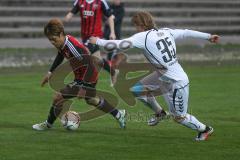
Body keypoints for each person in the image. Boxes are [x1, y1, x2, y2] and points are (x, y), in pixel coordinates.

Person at [89, 11, 220, 141]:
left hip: (177, 82)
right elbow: (186, 32)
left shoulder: (142, 37)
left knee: (179, 118)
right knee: (137, 90)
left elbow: (120, 44)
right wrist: (208, 36)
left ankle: (205, 129)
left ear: (140, 25)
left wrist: (98, 41)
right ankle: (160, 113)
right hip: (163, 75)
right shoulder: (166, 31)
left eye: (136, 25)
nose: (136, 28)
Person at [32, 18, 126, 131]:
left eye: (54, 39)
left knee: (58, 97)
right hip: (83, 76)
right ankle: (119, 114)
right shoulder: (63, 44)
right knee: (91, 100)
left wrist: (83, 87)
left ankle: (48, 124)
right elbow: (60, 55)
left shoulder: (72, 47)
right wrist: (50, 72)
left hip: (88, 77)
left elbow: (90, 64)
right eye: (50, 40)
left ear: (61, 34)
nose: (52, 42)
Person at [64, 0, 118, 85]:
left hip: (95, 36)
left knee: (84, 54)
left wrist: (112, 32)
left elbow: (110, 16)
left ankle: (81, 82)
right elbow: (71, 13)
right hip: (85, 36)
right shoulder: (80, 1)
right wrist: (66, 18)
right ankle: (113, 72)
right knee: (97, 60)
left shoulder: (101, 2)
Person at [103, 0, 126, 75]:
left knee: (113, 50)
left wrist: (109, 20)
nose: (116, 1)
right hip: (107, 32)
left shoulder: (121, 9)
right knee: (109, 49)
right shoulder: (109, 7)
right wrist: (108, 20)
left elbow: (116, 20)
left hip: (116, 33)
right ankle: (110, 65)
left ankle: (112, 65)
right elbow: (104, 16)